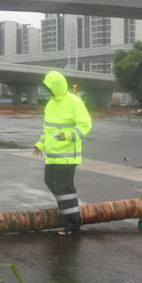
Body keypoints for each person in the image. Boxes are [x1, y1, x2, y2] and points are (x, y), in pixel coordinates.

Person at [33, 71, 92, 236]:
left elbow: (85, 125)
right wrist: (40, 145)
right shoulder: (50, 104)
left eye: (50, 87)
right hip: (52, 155)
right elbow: (48, 130)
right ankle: (68, 210)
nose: (48, 90)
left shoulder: (74, 102)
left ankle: (73, 226)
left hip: (67, 155)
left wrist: (68, 135)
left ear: (57, 86)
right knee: (50, 182)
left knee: (64, 188)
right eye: (47, 88)